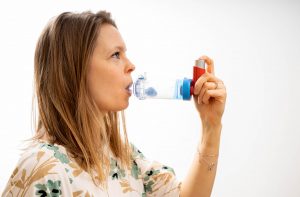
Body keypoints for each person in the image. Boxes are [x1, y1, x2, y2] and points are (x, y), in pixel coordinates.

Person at [2, 10, 226, 197]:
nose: (131, 65)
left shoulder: (126, 160)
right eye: (116, 55)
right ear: (75, 71)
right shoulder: (44, 168)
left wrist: (211, 125)